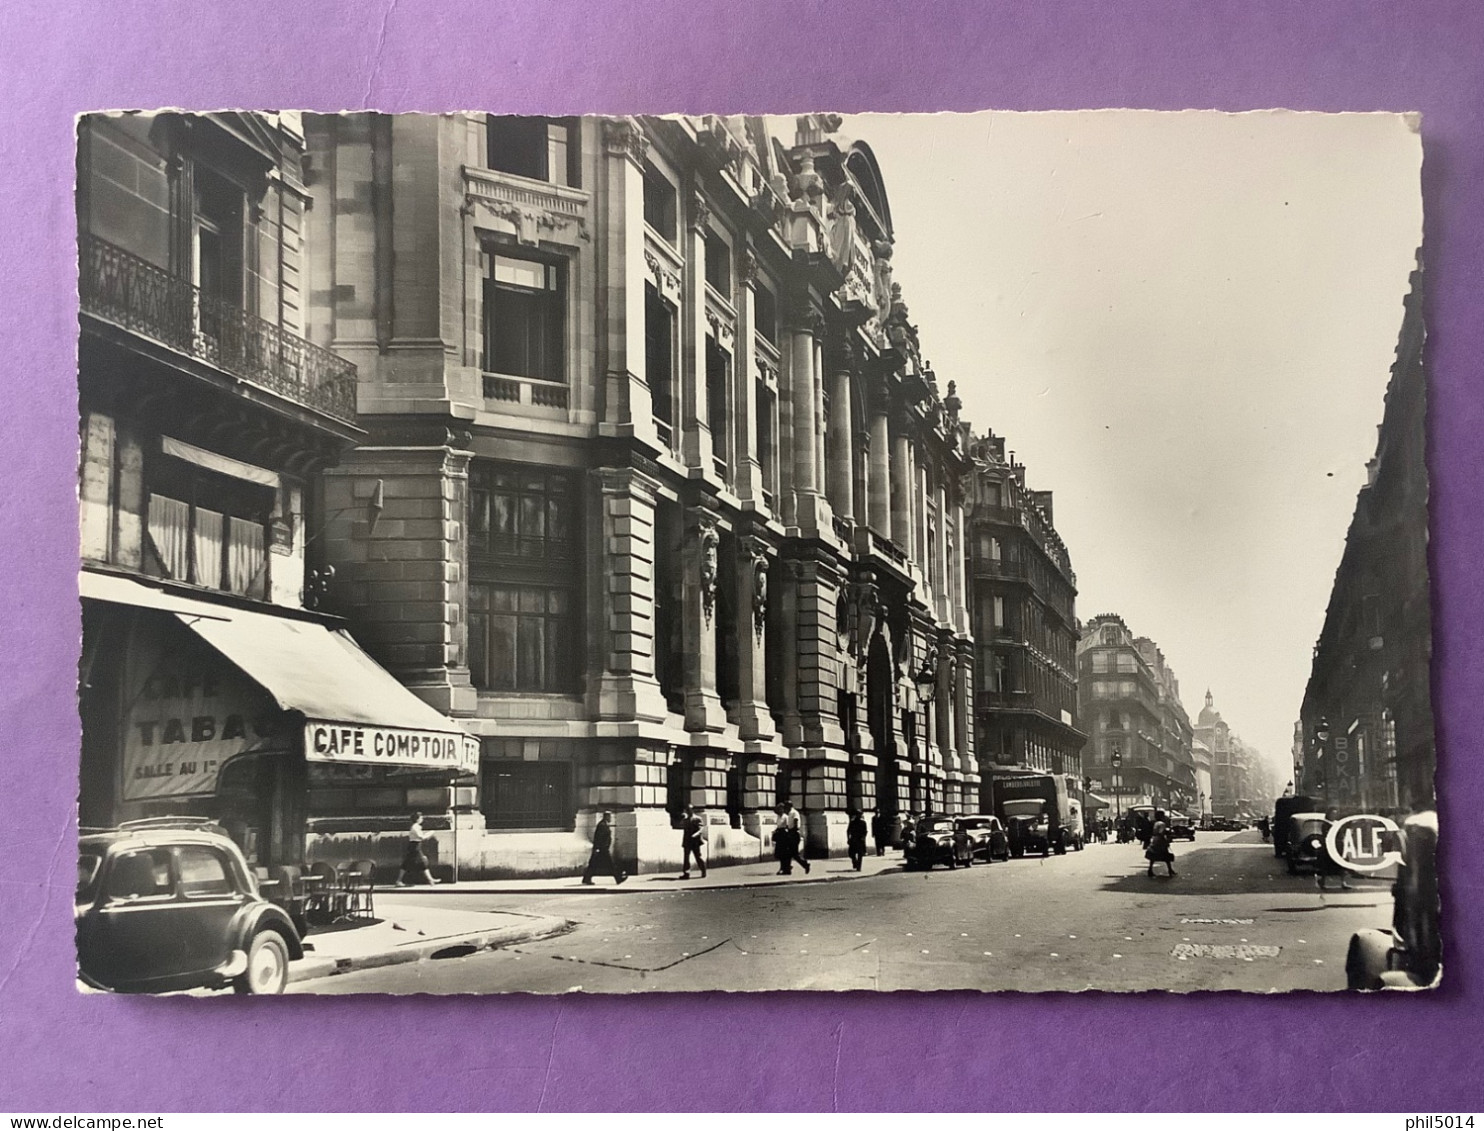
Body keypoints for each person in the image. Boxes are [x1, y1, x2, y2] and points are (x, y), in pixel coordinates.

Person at [582, 811, 628, 885]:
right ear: (606, 816)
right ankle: (618, 878)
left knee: (593, 864)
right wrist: (597, 848)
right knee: (610, 865)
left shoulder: (604, 824)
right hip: (602, 849)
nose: (611, 819)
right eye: (610, 817)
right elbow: (598, 838)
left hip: (602, 849)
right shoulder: (602, 825)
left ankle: (586, 878)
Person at [398, 811, 439, 886]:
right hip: (415, 847)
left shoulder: (416, 827)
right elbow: (422, 837)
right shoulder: (415, 827)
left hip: (415, 846)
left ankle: (399, 881)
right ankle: (430, 880)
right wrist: (430, 833)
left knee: (408, 863)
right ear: (417, 819)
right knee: (422, 862)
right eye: (421, 818)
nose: (422, 819)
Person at [778, 802, 811, 875]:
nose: (785, 808)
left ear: (789, 806)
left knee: (794, 853)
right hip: (791, 833)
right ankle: (787, 870)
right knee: (788, 853)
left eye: (786, 806)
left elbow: (795, 822)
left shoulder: (794, 813)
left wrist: (791, 831)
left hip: (794, 834)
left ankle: (805, 864)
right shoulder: (789, 813)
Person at [680, 807, 708, 879]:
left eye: (689, 810)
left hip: (695, 841)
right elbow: (681, 825)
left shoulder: (697, 818)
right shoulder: (685, 819)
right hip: (687, 841)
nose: (688, 812)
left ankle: (703, 870)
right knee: (686, 858)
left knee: (698, 856)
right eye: (687, 810)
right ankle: (686, 873)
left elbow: (701, 829)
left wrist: (695, 834)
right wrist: (683, 819)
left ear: (692, 810)